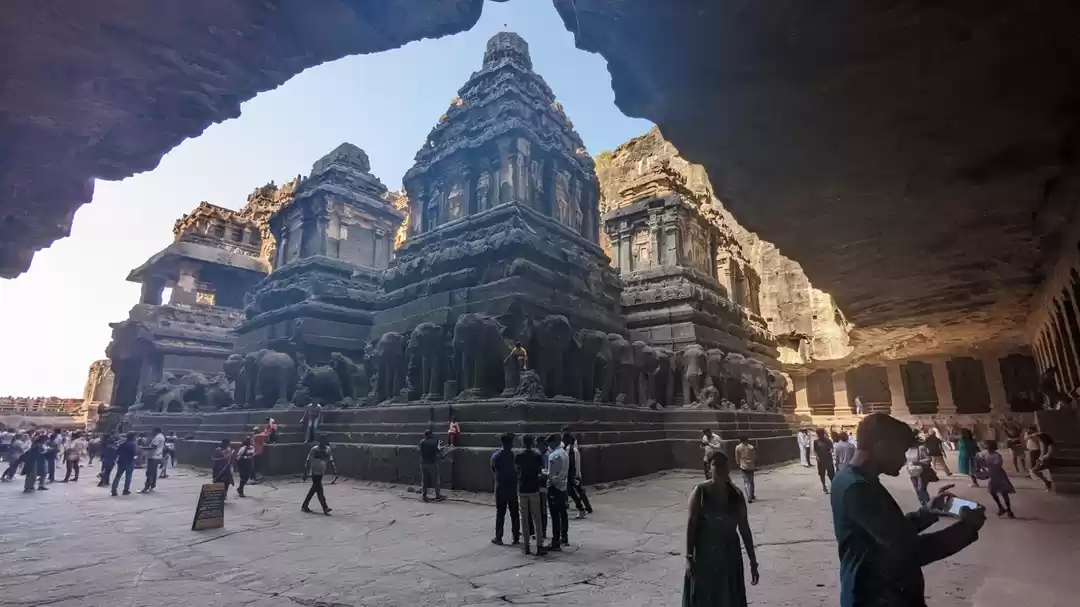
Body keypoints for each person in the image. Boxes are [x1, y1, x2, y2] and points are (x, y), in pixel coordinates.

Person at [831, 413, 985, 607]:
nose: (904, 460)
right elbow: (909, 550)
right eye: (901, 451)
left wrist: (926, 513)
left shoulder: (848, 478)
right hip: (876, 596)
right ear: (881, 446)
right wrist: (966, 528)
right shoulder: (857, 488)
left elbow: (890, 530)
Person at [682, 451, 759, 607]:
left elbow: (744, 529)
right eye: (716, 465)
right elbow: (691, 525)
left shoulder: (736, 495)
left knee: (729, 596)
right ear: (709, 468)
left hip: (730, 557)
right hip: (705, 556)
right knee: (705, 597)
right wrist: (689, 557)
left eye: (723, 465)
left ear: (728, 468)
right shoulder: (700, 492)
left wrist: (753, 562)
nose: (720, 468)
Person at [515, 435, 547, 556]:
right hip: (534, 488)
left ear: (523, 443)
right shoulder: (537, 456)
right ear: (533, 443)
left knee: (524, 518)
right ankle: (539, 545)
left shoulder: (518, 456)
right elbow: (540, 471)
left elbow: (517, 470)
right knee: (537, 518)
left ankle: (526, 546)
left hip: (522, 488)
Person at [490, 433, 520, 545]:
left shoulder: (496, 456)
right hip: (511, 487)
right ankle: (516, 536)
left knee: (500, 513)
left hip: (500, 486)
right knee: (514, 513)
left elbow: (493, 469)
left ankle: (499, 537)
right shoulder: (513, 456)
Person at [977, 440, 1015, 518]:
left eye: (987, 445)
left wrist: (984, 464)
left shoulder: (997, 455)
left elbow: (997, 465)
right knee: (992, 492)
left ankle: (1009, 510)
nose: (986, 447)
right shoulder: (985, 454)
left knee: (1004, 493)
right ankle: (1001, 507)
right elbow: (982, 464)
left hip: (999, 475)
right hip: (992, 475)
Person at [545, 434, 570, 551]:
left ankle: (555, 541)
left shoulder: (554, 455)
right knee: (563, 513)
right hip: (563, 486)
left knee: (555, 516)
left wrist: (545, 474)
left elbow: (552, 474)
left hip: (554, 487)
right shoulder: (564, 453)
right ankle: (564, 537)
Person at [302, 436, 336, 514]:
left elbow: (330, 460)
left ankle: (305, 505)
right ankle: (325, 507)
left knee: (315, 490)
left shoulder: (327, 449)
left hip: (321, 472)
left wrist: (334, 469)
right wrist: (306, 472)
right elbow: (308, 460)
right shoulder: (314, 449)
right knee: (319, 490)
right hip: (314, 472)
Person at [563, 433, 593, 518]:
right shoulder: (573, 449)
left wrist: (572, 477)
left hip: (573, 475)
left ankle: (581, 508)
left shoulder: (571, 450)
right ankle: (587, 508)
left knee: (573, 492)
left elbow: (572, 464)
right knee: (580, 492)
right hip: (576, 474)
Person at [905, 435, 934, 506]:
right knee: (916, 489)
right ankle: (923, 504)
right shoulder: (907, 449)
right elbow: (906, 460)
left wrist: (919, 462)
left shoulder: (921, 448)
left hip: (922, 471)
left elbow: (929, 459)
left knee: (921, 488)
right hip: (911, 471)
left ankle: (928, 503)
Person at [419, 429, 445, 502]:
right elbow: (438, 451)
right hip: (432, 463)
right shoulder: (435, 442)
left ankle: (424, 496)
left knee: (424, 480)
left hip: (423, 463)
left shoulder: (422, 442)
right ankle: (437, 496)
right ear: (431, 434)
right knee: (436, 480)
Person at [140, 427, 166, 493]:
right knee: (154, 472)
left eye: (153, 431)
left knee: (149, 473)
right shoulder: (161, 436)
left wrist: (142, 448)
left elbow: (153, 447)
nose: (152, 432)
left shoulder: (158, 437)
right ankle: (152, 486)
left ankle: (146, 487)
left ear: (156, 431)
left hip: (153, 456)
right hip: (157, 456)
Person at [733, 436, 757, 503]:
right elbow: (754, 457)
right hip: (751, 466)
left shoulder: (738, 447)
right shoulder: (751, 447)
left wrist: (738, 462)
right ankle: (751, 494)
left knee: (746, 481)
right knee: (751, 481)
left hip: (743, 466)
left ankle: (748, 496)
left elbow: (737, 458)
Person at [813, 428, 835, 494]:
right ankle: (824, 486)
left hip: (828, 459)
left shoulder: (828, 441)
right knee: (822, 473)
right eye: (818, 434)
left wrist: (830, 451)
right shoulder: (816, 442)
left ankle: (833, 486)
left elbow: (832, 448)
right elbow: (815, 451)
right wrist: (817, 457)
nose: (819, 435)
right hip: (821, 460)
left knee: (831, 473)